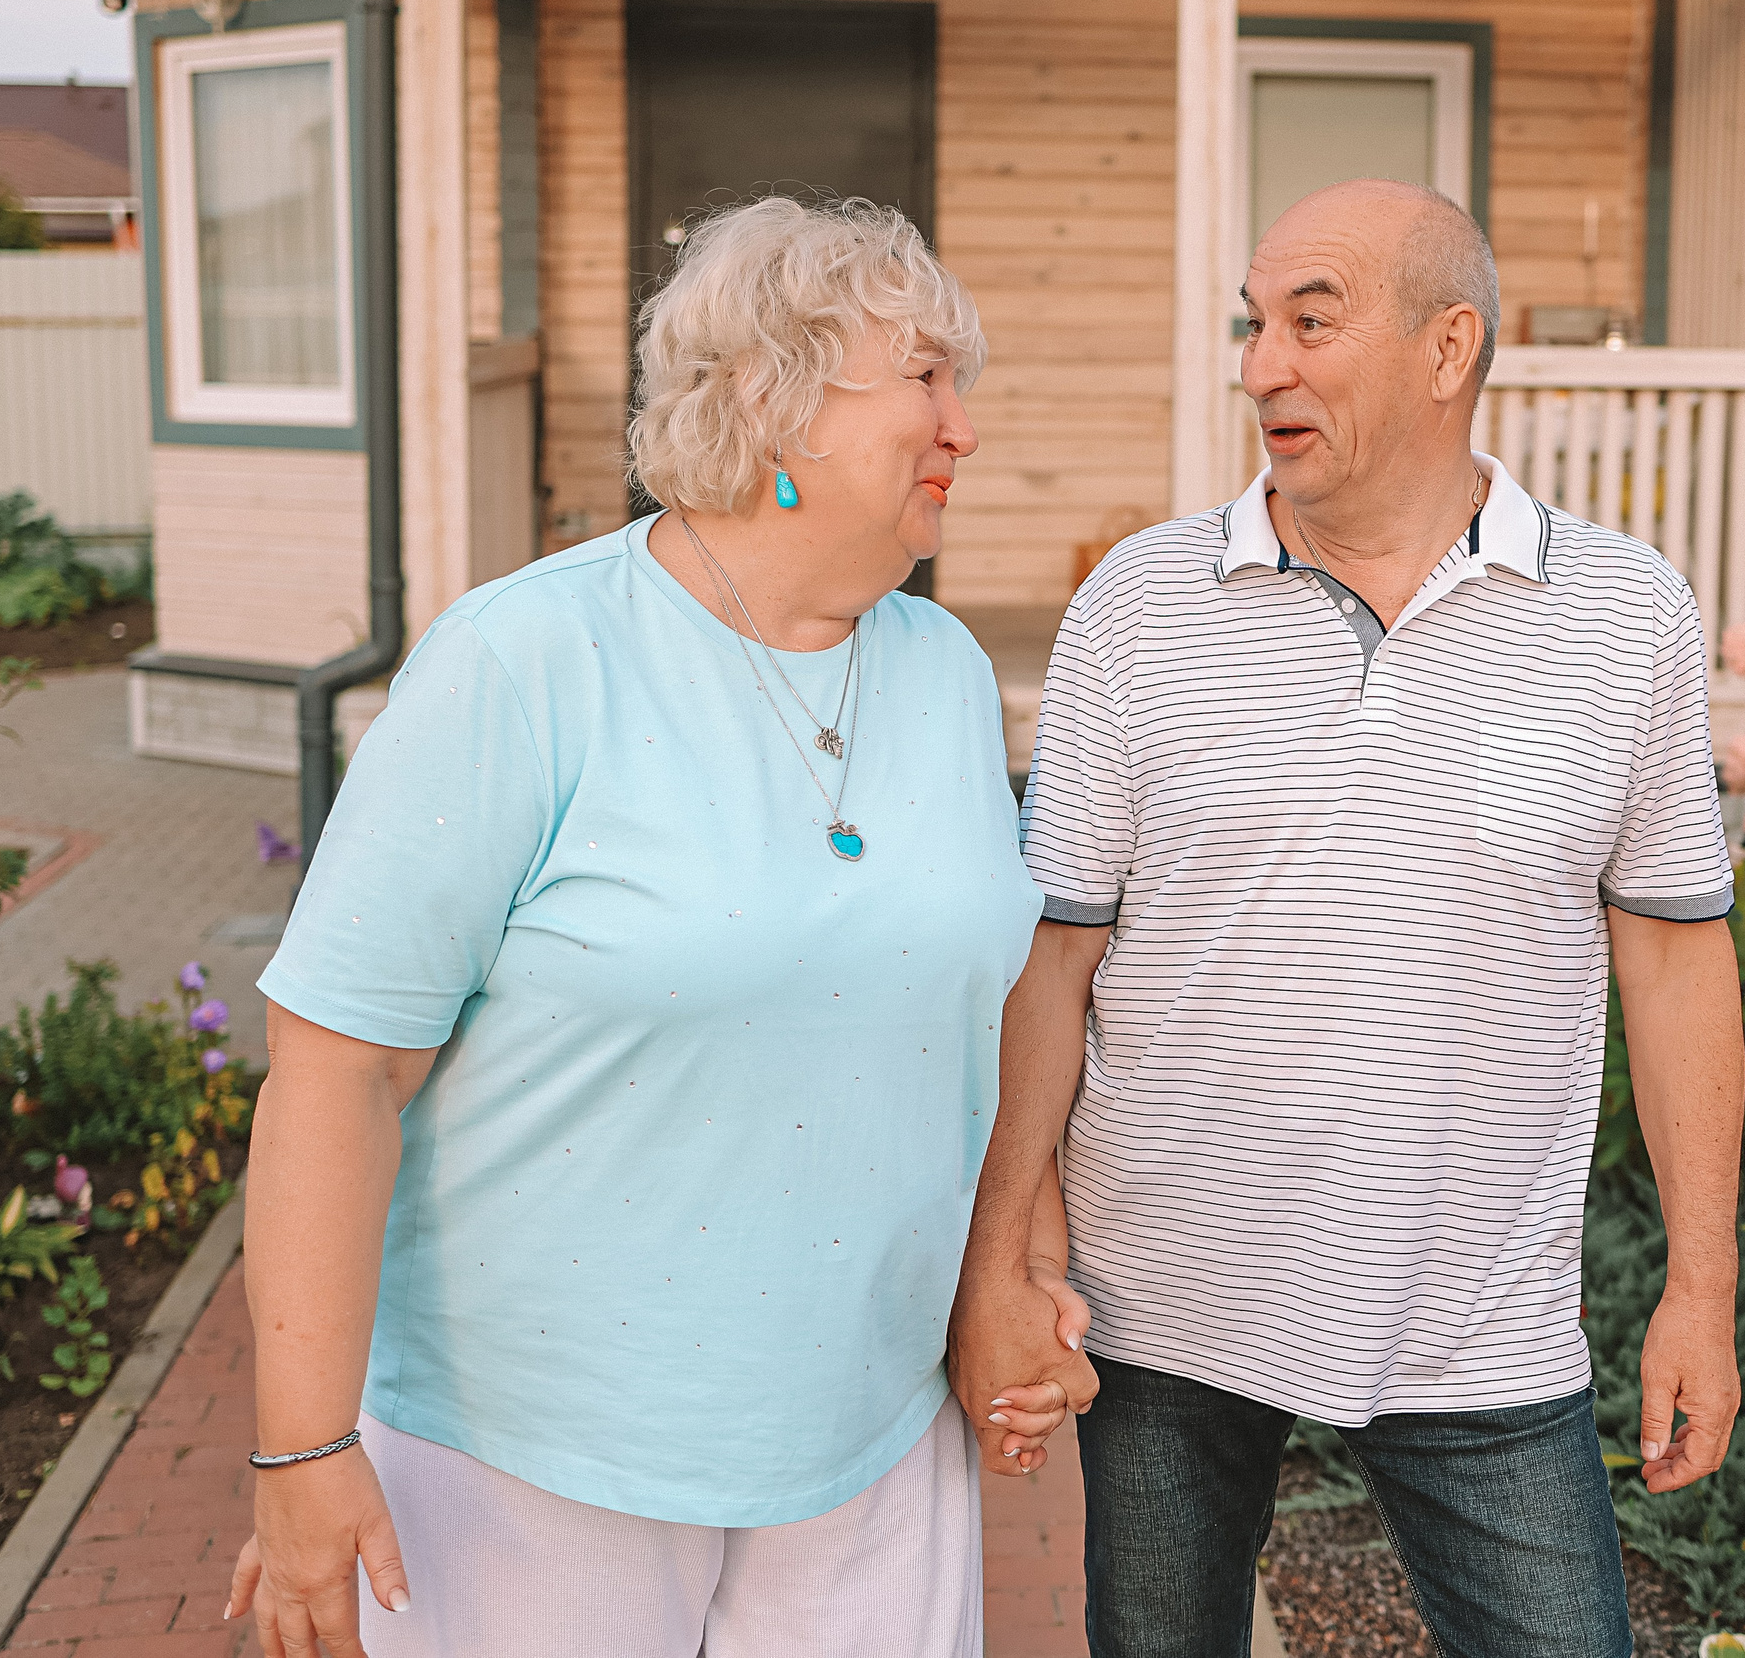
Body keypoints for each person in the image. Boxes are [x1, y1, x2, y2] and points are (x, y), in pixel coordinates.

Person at [223, 196, 1093, 1658]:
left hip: (868, 1447)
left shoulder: (943, 671)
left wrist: (1015, 1272)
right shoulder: (526, 663)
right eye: (927, 378)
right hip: (537, 1461)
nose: (965, 427)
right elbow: (335, 1071)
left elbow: (990, 1007)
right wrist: (300, 1450)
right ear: (775, 398)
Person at [951, 179, 1745, 1658]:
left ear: (1450, 350)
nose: (1262, 366)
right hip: (1158, 1300)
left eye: (1311, 322)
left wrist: (1701, 1288)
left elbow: (1674, 948)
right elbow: (1052, 955)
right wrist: (1006, 1255)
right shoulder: (1142, 603)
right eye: (1255, 325)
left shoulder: (1627, 615)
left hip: (1480, 1313)